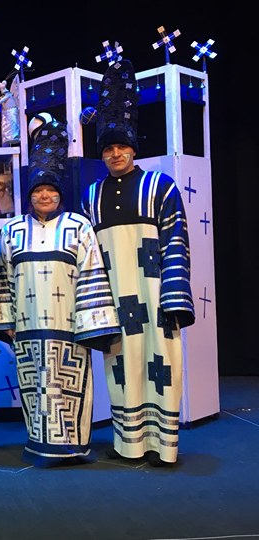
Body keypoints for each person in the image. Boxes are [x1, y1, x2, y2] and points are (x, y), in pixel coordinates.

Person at [80, 58, 195, 467]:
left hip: (154, 294)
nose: (115, 154)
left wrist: (174, 297)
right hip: (114, 297)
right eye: (108, 149)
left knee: (163, 366)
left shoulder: (160, 186)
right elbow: (88, 255)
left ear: (133, 149)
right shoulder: (91, 195)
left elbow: (176, 241)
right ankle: (128, 444)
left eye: (121, 147)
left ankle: (164, 447)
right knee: (122, 369)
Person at [0, 113, 121, 468]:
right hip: (28, 328)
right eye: (38, 191)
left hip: (69, 328)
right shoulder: (13, 230)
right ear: (30, 195)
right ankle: (39, 444)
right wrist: (6, 321)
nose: (45, 195)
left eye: (50, 190)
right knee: (35, 389)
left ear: (59, 194)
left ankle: (73, 447)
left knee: (70, 388)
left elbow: (93, 273)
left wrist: (91, 323)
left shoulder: (78, 225)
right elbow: (3, 277)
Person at [0, 77, 20, 146]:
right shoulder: (5, 95)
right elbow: (0, 98)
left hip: (11, 111)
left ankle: (14, 137)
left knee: (12, 124)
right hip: (6, 112)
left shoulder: (8, 94)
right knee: (6, 126)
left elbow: (1, 101)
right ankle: (8, 138)